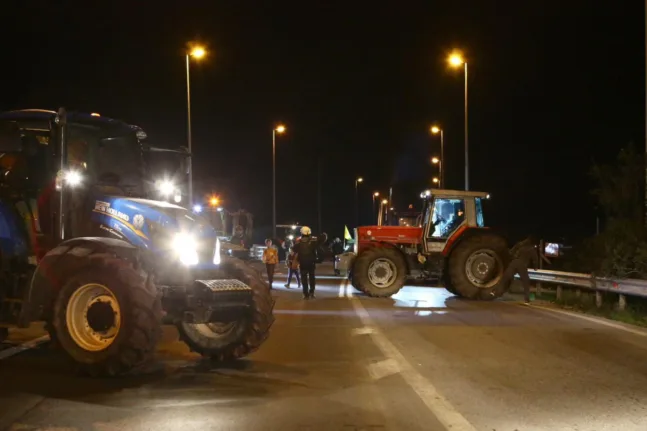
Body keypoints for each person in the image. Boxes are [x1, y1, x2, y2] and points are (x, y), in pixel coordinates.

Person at [500, 236, 539, 304]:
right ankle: (527, 300)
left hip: (514, 263)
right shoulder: (531, 249)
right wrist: (535, 267)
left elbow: (512, 253)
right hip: (522, 265)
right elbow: (535, 260)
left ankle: (494, 291)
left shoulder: (520, 246)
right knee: (526, 282)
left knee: (505, 278)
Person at [292, 226, 328, 299]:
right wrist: (324, 235)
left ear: (302, 233)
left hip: (302, 263)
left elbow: (293, 249)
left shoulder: (298, 241)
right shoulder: (313, 240)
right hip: (311, 263)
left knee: (304, 279)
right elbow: (323, 240)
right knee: (312, 278)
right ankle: (312, 292)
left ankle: (306, 294)